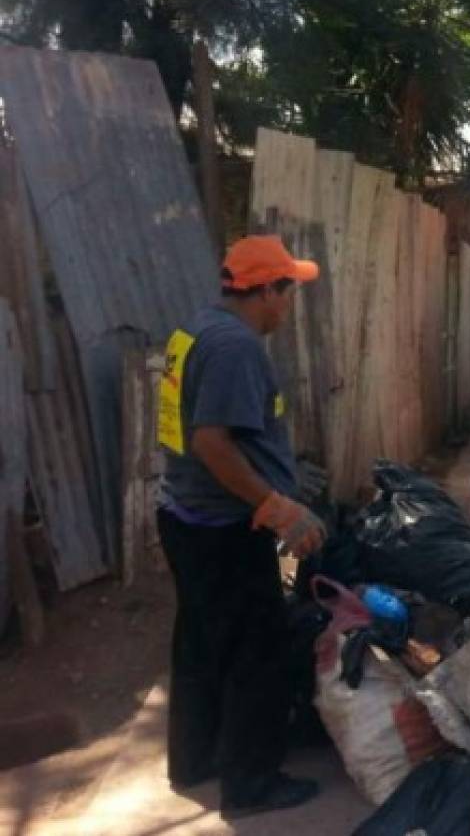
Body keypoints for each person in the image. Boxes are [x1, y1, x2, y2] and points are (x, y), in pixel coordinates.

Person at [157, 235, 327, 818]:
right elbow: (212, 442)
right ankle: (251, 786)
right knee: (259, 652)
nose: (290, 305)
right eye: (289, 291)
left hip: (186, 517)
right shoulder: (236, 348)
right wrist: (279, 508)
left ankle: (194, 759)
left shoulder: (198, 329)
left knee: (201, 646)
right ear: (266, 291)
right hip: (225, 527)